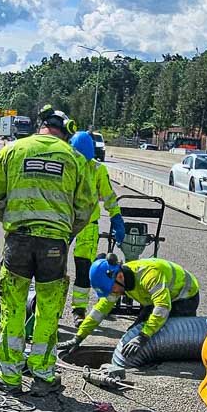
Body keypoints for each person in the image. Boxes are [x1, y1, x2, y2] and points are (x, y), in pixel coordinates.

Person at [0, 104, 96, 395]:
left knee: (13, 306)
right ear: (65, 132)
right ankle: (43, 374)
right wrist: (63, 233)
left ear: (42, 125)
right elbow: (85, 207)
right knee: (48, 309)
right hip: (54, 245)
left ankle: (9, 374)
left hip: (18, 240)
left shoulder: (13, 150)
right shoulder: (75, 158)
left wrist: (15, 223)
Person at [58, 254, 200, 368]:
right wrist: (79, 337)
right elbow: (99, 312)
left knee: (166, 336)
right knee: (134, 333)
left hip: (184, 297)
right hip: (155, 300)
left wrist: (143, 337)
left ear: (119, 276)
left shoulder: (148, 275)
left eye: (111, 289)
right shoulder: (117, 281)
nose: (112, 293)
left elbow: (162, 307)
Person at [67, 130, 125, 318]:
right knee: (54, 269)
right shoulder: (65, 166)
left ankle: (79, 309)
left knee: (83, 268)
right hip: (64, 223)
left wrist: (116, 217)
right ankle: (52, 309)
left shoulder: (97, 169)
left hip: (87, 224)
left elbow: (108, 195)